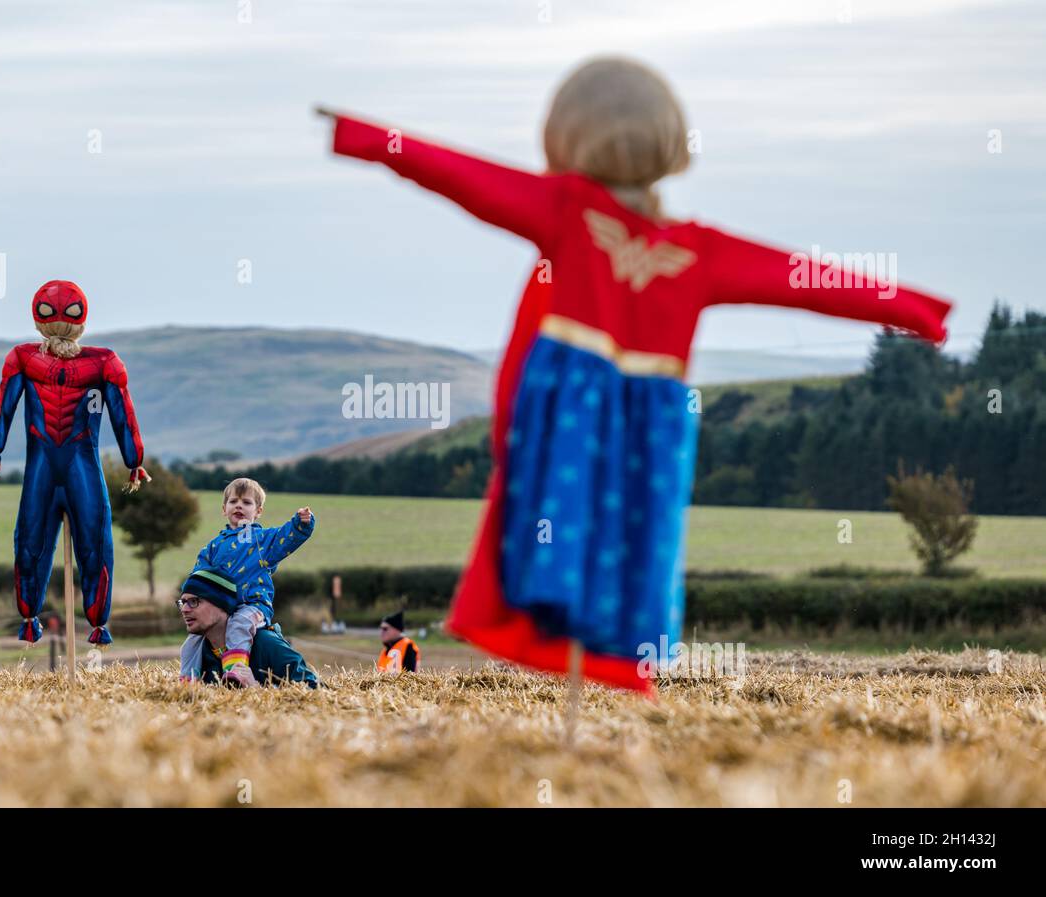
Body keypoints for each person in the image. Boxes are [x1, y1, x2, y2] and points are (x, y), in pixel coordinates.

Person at [318, 57, 952, 692]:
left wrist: (363, 136)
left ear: (566, 137)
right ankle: (612, 646)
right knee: (635, 539)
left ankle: (558, 631)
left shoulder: (566, 210)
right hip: (653, 421)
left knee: (554, 534)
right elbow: (802, 278)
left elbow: (463, 176)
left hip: (567, 409)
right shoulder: (698, 250)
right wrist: (917, 311)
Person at [0, 279, 149, 646]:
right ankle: (31, 616)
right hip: (54, 466)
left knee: (92, 542)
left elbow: (122, 411)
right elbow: (4, 403)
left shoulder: (102, 363)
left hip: (74, 464)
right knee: (31, 542)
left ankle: (94, 621)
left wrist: (133, 459)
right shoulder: (26, 359)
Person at [186, 477, 314, 684]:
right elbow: (198, 577)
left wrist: (300, 524)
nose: (239, 505)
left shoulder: (261, 541)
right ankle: (187, 679)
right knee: (193, 640)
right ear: (224, 509)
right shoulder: (213, 546)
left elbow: (285, 537)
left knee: (239, 624)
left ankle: (236, 671)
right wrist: (192, 599)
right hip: (223, 607)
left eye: (246, 502)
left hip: (252, 606)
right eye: (233, 501)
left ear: (258, 511)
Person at [176, 571, 318, 688]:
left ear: (221, 604)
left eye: (194, 602)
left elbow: (317, 692)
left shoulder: (267, 644)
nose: (184, 609)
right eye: (182, 602)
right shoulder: (197, 653)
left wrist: (256, 688)